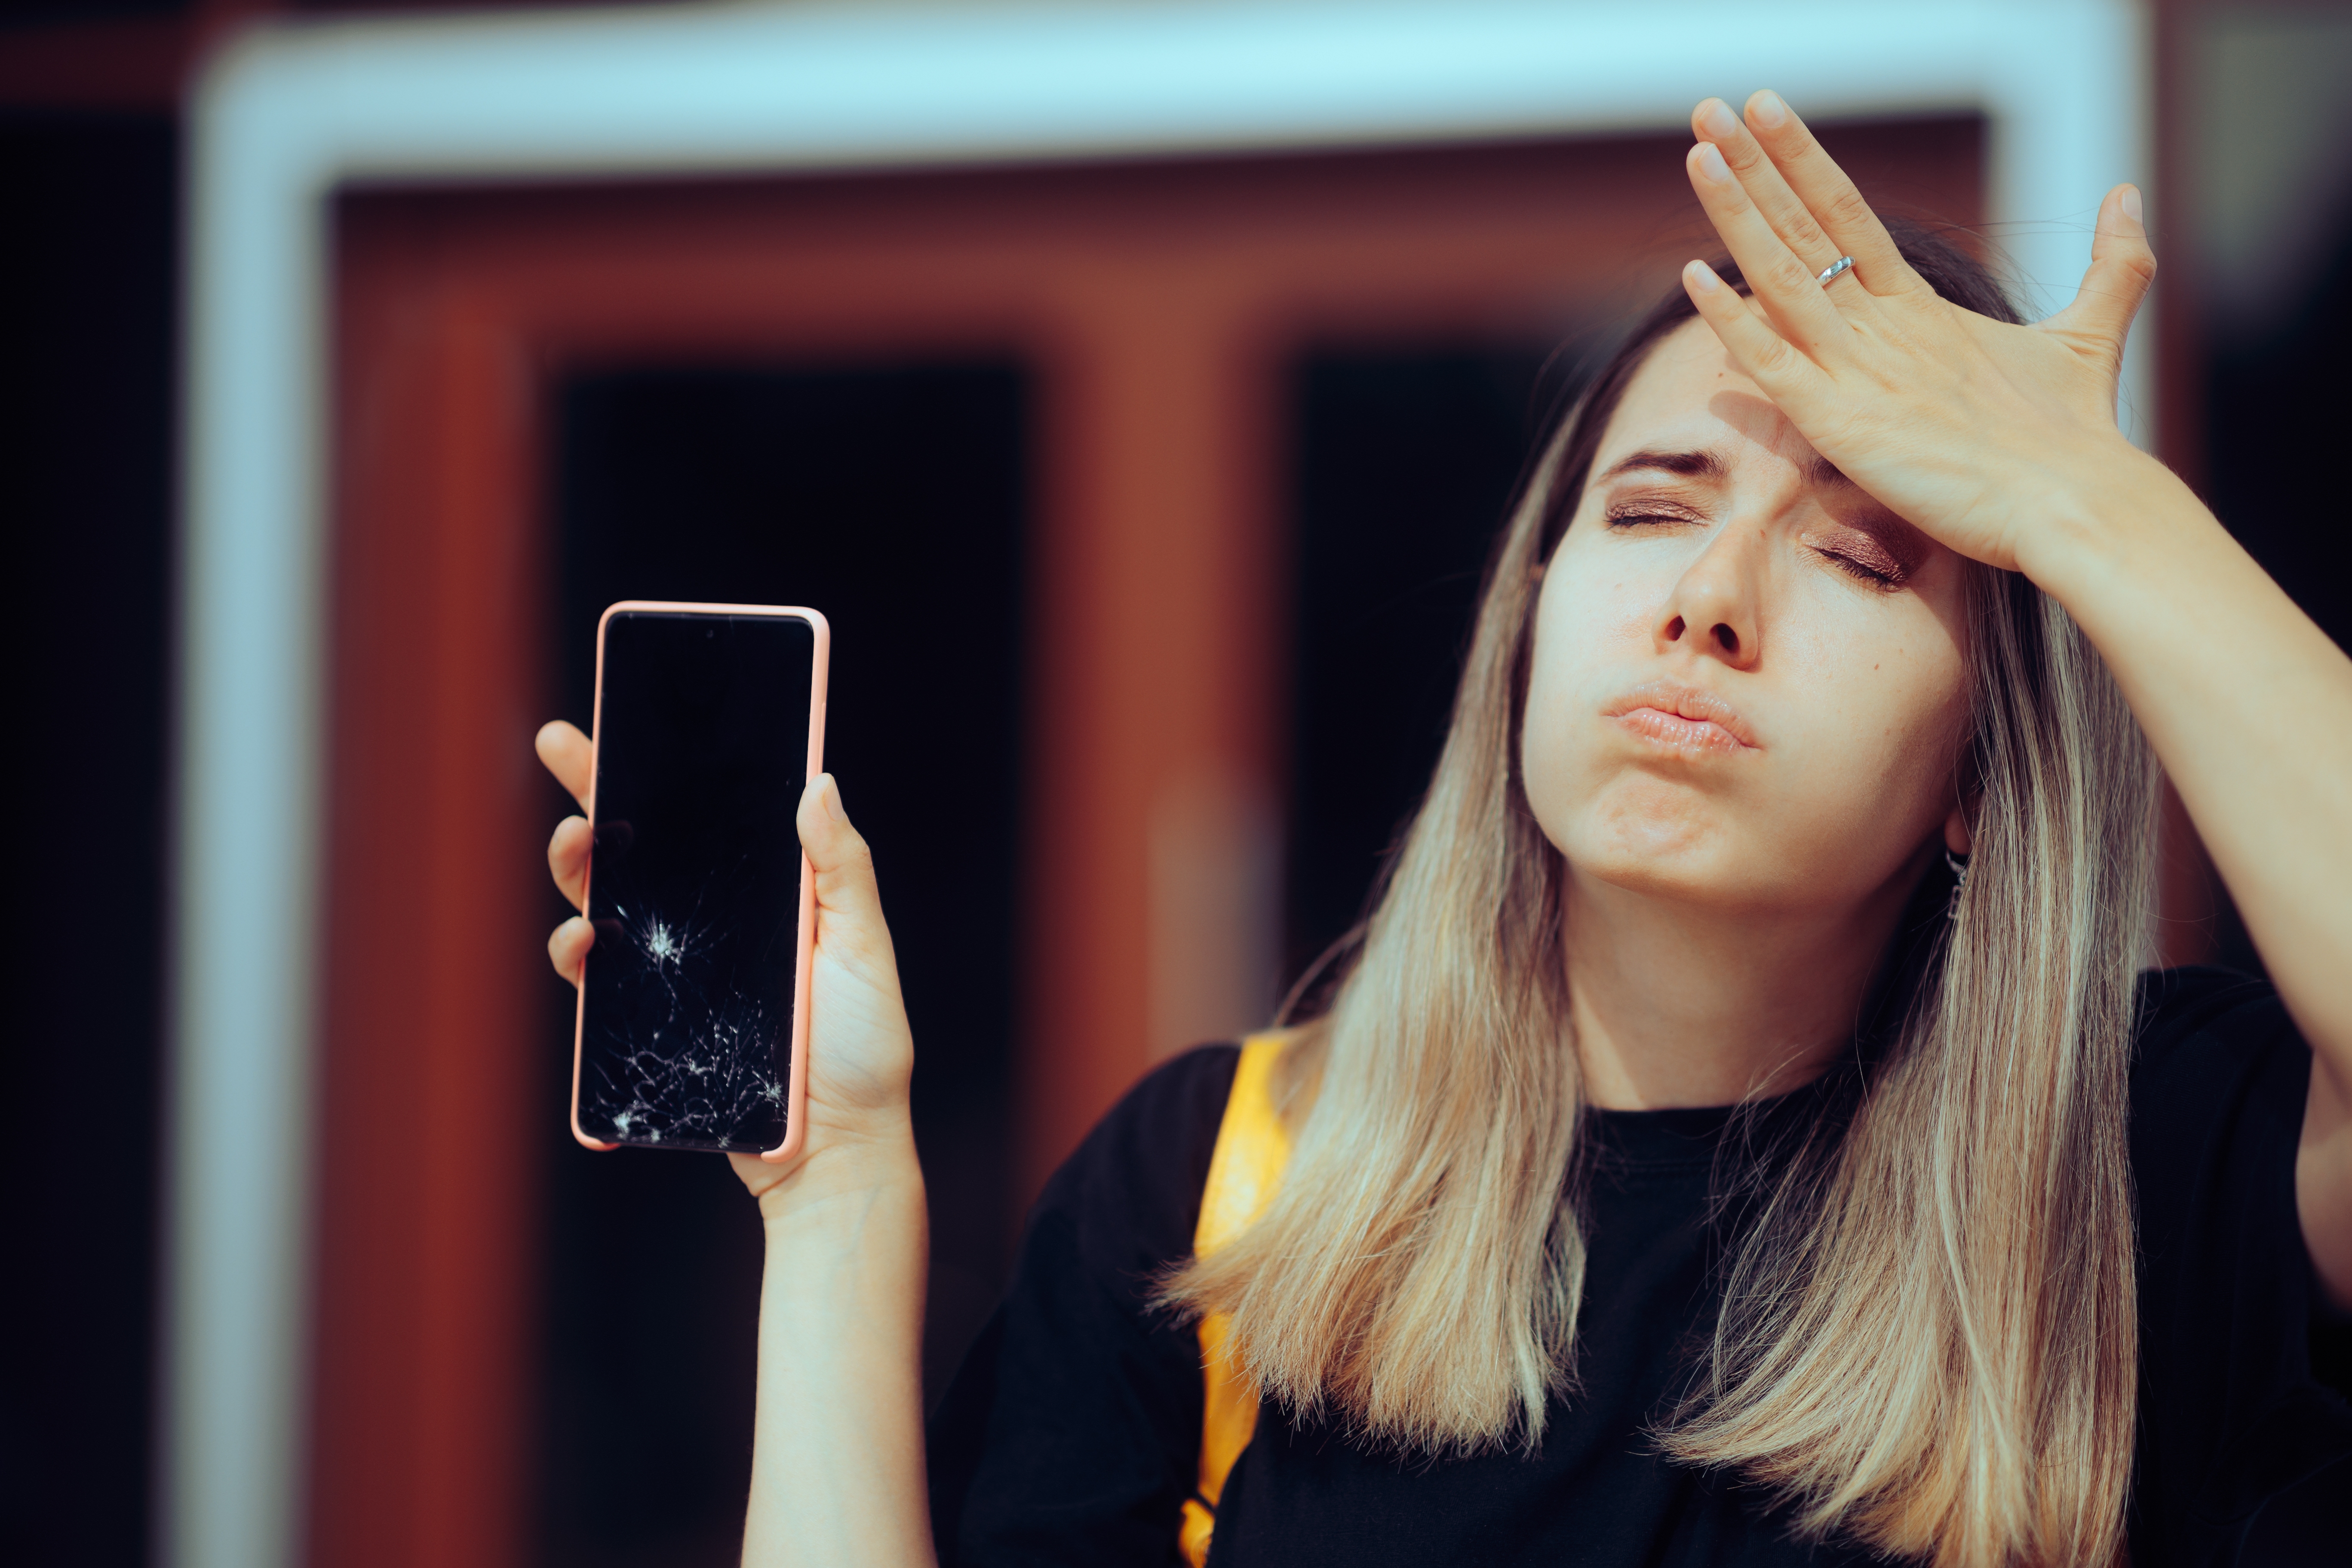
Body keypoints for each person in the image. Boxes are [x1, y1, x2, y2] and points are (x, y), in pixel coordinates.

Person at [534, 93, 2352, 1566]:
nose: (1712, 600)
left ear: (1980, 769)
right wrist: (840, 1192)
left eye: (1863, 553)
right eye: (1650, 509)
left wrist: (2084, 501)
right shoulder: (1217, 1182)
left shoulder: (2141, 1174)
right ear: (1531, 628)